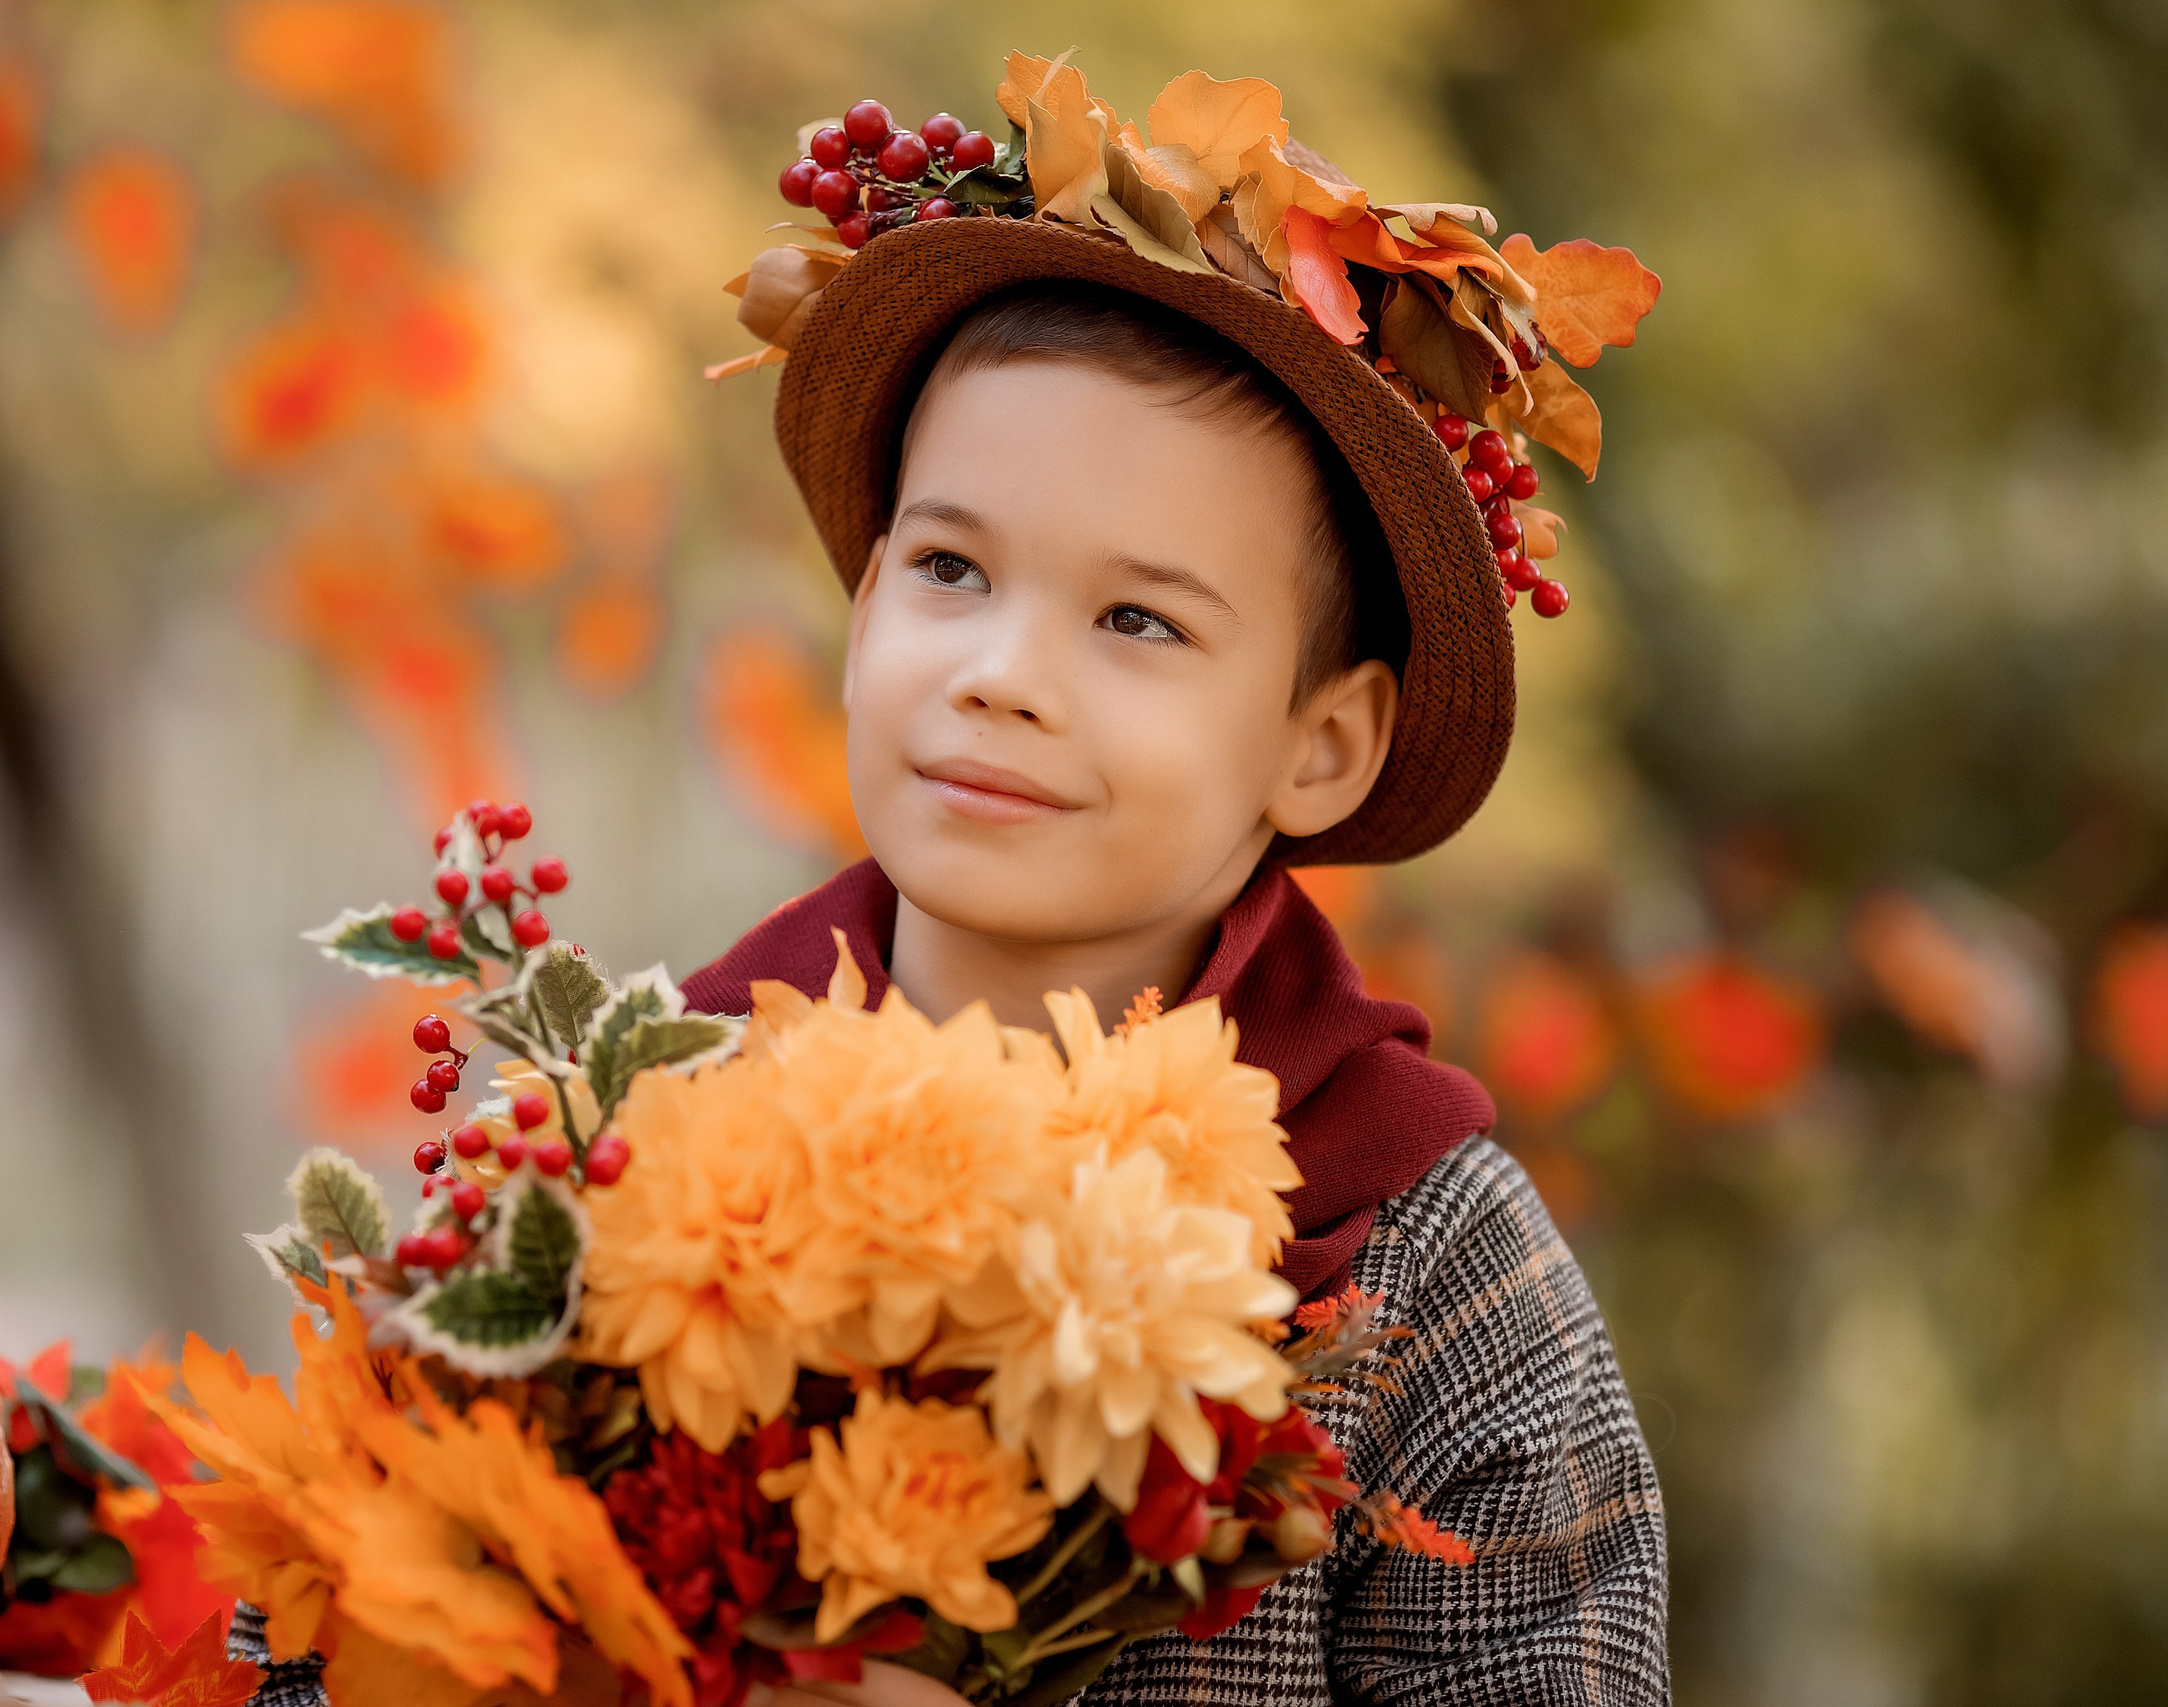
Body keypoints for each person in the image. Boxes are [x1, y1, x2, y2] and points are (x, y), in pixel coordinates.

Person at [675, 70, 1672, 1707]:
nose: (1000, 675)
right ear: (858, 617)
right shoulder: (636, 1129)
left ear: (1322, 746)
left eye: (1136, 622)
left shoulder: (1426, 1280)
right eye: (948, 570)